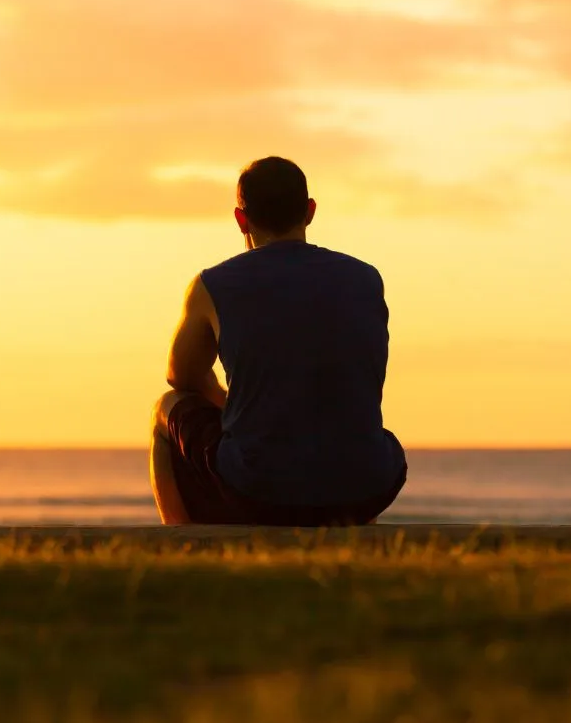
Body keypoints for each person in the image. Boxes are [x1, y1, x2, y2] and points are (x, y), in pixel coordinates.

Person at [151, 157, 406, 526]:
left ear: (241, 219)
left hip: (260, 490)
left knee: (166, 406)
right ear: (310, 211)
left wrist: (228, 408)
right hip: (368, 487)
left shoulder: (213, 284)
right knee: (357, 438)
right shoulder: (366, 279)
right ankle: (352, 546)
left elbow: (181, 377)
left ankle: (181, 547)